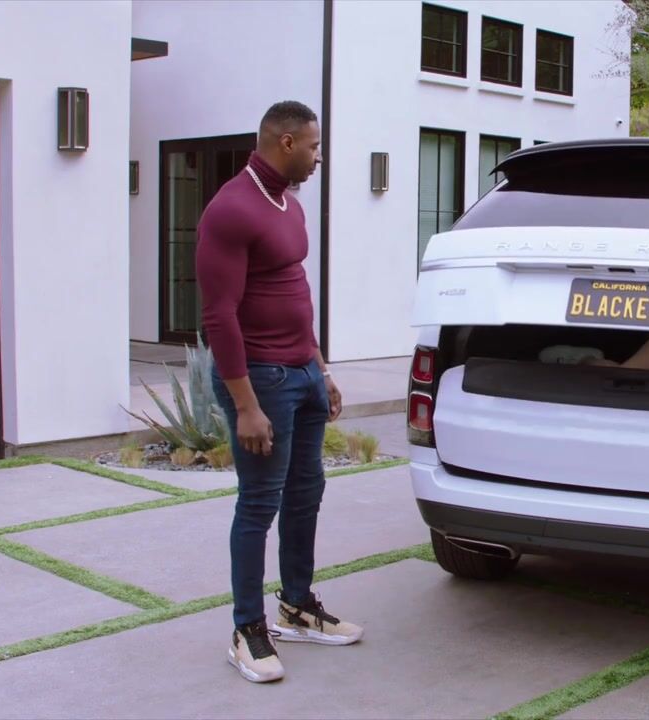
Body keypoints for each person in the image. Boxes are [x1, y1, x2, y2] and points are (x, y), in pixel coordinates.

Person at [196, 101, 362, 685]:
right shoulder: (231, 209)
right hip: (261, 380)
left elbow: (293, 289)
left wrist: (321, 368)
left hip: (303, 372)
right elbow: (219, 316)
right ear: (286, 142)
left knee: (305, 493)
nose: (319, 157)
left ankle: (296, 605)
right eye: (314, 147)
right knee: (259, 504)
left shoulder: (289, 204)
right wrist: (246, 405)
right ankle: (247, 629)